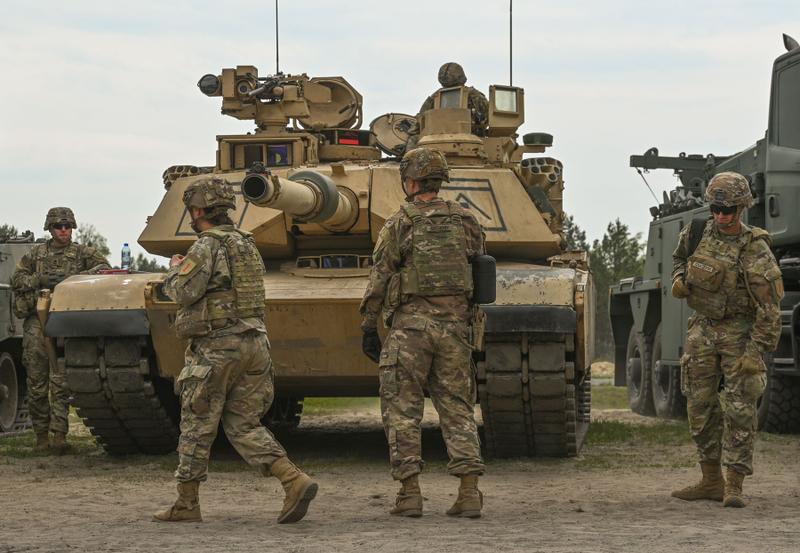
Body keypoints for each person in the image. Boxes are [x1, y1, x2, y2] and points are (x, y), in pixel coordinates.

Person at [153, 177, 317, 523]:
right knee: (243, 424)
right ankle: (293, 479)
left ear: (197, 210)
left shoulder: (207, 245)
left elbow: (183, 292)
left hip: (217, 348)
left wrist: (174, 271)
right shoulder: (246, 243)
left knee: (197, 424)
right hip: (254, 344)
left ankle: (186, 503)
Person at [360, 147, 486, 518]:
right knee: (458, 409)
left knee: (402, 409)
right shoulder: (466, 220)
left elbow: (380, 275)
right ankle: (469, 493)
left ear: (411, 182)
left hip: (410, 331)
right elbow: (478, 263)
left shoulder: (400, 222)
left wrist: (368, 324)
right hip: (455, 329)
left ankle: (409, 494)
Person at [671, 171, 783, 508]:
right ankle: (710, 481)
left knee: (740, 409)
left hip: (740, 335)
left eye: (729, 210)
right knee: (699, 406)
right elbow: (679, 259)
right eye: (716, 209)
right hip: (702, 330)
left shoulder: (754, 247)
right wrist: (679, 278)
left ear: (743, 207)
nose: (721, 216)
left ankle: (733, 484)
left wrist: (756, 351)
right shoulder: (695, 233)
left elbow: (770, 309)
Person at [10, 207, 109, 453]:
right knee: (36, 381)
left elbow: (104, 269)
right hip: (37, 322)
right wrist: (39, 280)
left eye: (67, 226)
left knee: (61, 382)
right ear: (50, 229)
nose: (63, 231)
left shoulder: (83, 253)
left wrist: (75, 278)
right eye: (58, 226)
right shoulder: (36, 255)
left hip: (67, 319)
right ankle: (41, 436)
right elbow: (17, 279)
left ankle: (59, 435)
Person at [404, 62, 489, 152]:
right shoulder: (475, 95)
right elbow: (487, 119)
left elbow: (418, 124)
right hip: (469, 143)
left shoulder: (435, 97)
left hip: (442, 143)